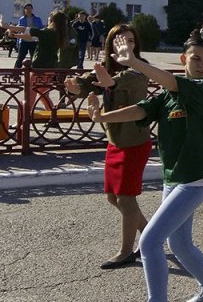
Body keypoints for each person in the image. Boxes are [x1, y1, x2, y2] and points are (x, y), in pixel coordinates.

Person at [87, 31, 203, 302]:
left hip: (196, 180)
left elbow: (171, 81)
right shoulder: (168, 95)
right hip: (173, 178)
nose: (202, 64)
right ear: (183, 58)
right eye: (196, 58)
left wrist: (135, 62)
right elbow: (140, 110)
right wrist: (102, 117)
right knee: (180, 242)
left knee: (150, 242)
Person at [64, 24, 151, 269]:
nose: (125, 45)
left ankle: (126, 252)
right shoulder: (108, 67)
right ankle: (151, 234)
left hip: (134, 142)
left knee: (125, 199)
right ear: (110, 44)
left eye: (130, 41)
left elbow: (117, 83)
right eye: (119, 40)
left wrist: (106, 81)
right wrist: (76, 86)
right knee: (113, 198)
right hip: (115, 140)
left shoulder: (139, 70)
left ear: (137, 45)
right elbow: (90, 83)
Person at [4, 10, 77, 69]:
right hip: (52, 65)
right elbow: (31, 37)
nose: (47, 20)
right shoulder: (62, 34)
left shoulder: (46, 32)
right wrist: (15, 35)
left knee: (33, 86)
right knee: (46, 86)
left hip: (39, 65)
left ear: (52, 21)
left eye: (49, 19)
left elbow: (25, 30)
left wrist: (6, 26)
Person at [14, 3, 43, 68]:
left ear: (32, 9)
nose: (28, 10)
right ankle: (16, 72)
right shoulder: (22, 19)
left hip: (34, 41)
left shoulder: (37, 18)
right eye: (27, 8)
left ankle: (35, 72)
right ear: (24, 10)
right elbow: (20, 30)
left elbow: (40, 29)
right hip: (24, 41)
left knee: (34, 58)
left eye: (30, 8)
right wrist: (18, 42)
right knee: (20, 57)